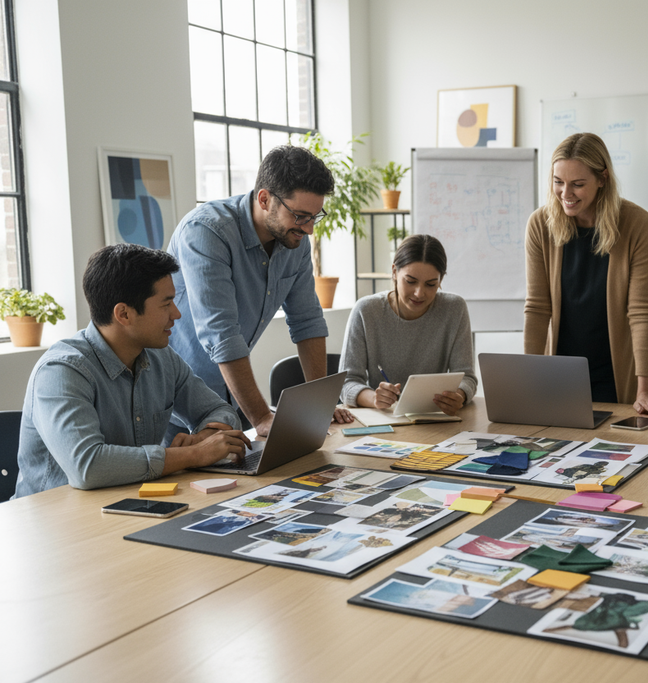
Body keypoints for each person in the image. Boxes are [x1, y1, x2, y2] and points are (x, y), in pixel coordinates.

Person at [14, 244, 249, 497]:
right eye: (166, 304)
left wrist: (207, 436)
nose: (177, 314)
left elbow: (218, 410)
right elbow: (88, 466)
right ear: (124, 314)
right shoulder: (61, 372)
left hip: (128, 504)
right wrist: (193, 454)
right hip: (55, 524)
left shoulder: (162, 357)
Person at [167, 144, 352, 441]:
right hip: (174, 404)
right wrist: (262, 417)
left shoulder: (295, 242)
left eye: (314, 217)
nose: (309, 230)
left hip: (230, 398)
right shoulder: (206, 232)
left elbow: (307, 321)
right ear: (265, 199)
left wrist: (320, 405)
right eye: (300, 216)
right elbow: (222, 335)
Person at [524, 132, 648, 417]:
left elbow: (640, 311)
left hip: (613, 377)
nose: (566, 194)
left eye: (578, 184)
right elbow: (537, 308)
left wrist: (646, 391)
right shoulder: (540, 224)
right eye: (558, 182)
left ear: (602, 179)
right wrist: (529, 377)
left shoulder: (636, 223)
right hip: (557, 375)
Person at [341, 234, 476, 415]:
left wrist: (459, 395)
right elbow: (347, 383)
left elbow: (467, 377)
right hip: (383, 419)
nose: (419, 293)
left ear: (441, 280)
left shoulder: (454, 309)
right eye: (410, 281)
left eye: (431, 284)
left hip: (433, 420)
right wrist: (374, 398)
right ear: (395, 272)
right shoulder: (366, 311)